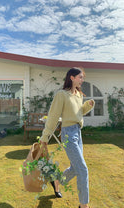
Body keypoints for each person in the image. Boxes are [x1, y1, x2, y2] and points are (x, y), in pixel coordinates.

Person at [40, 67, 95, 208]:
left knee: (76, 168)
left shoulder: (79, 95)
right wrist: (45, 137)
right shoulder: (61, 94)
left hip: (78, 132)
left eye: (83, 77)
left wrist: (87, 107)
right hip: (68, 134)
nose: (82, 80)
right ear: (72, 77)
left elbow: (78, 112)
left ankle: (57, 181)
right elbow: (53, 116)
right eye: (80, 77)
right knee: (82, 169)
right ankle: (84, 206)